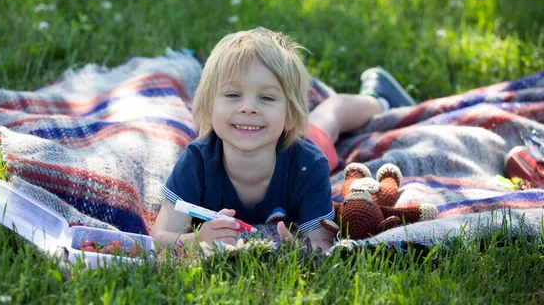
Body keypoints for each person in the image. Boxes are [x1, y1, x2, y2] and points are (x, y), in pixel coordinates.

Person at [150, 27, 415, 252]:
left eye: (266, 97)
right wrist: (197, 241)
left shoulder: (308, 164)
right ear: (208, 106)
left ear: (290, 115)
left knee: (331, 117)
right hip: (272, 132)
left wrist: (301, 250)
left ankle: (378, 98)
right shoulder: (197, 162)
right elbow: (160, 236)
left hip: (296, 141)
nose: (248, 108)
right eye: (232, 95)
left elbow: (321, 243)